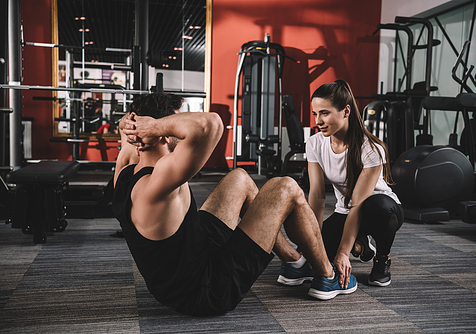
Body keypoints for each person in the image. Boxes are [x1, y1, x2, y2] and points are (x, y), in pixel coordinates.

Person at [112, 93, 357, 317]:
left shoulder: (126, 166)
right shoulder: (158, 183)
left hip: (190, 257)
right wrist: (155, 125)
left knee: (239, 178)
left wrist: (136, 125)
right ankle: (328, 276)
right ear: (161, 134)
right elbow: (210, 125)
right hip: (205, 291)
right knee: (286, 187)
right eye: (176, 122)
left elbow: (126, 131)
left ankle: (295, 263)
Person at [301, 80, 403, 287]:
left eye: (325, 113)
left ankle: (382, 258)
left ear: (346, 111)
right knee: (319, 252)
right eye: (315, 114)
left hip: (380, 209)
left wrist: (343, 254)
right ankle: (361, 247)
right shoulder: (314, 143)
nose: (318, 120)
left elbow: (359, 204)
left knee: (377, 207)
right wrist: (312, 242)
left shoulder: (371, 148)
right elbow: (317, 197)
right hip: (346, 212)